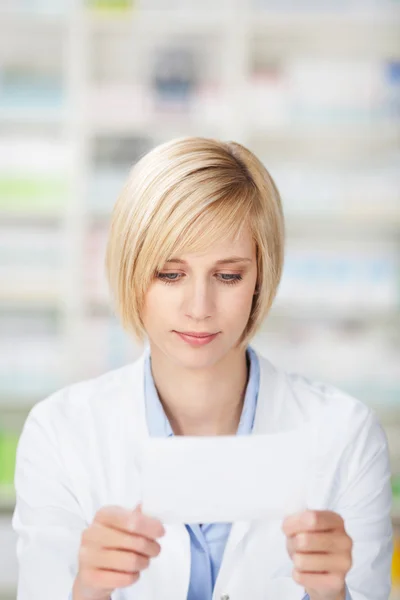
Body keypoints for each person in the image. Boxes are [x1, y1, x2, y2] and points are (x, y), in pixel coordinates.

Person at [12, 137, 392, 600]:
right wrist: (87, 589)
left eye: (228, 275)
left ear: (260, 278)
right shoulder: (60, 433)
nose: (199, 307)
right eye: (170, 274)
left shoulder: (345, 435)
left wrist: (333, 595)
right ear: (131, 272)